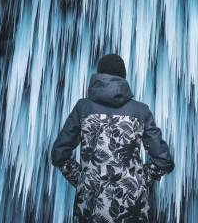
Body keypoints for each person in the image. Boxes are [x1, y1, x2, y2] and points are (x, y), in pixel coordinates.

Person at [52, 54, 174, 222]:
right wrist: (140, 180)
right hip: (133, 209)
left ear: (98, 76)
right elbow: (164, 161)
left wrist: (83, 180)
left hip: (90, 208)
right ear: (124, 78)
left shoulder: (83, 108)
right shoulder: (141, 111)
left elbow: (59, 155)